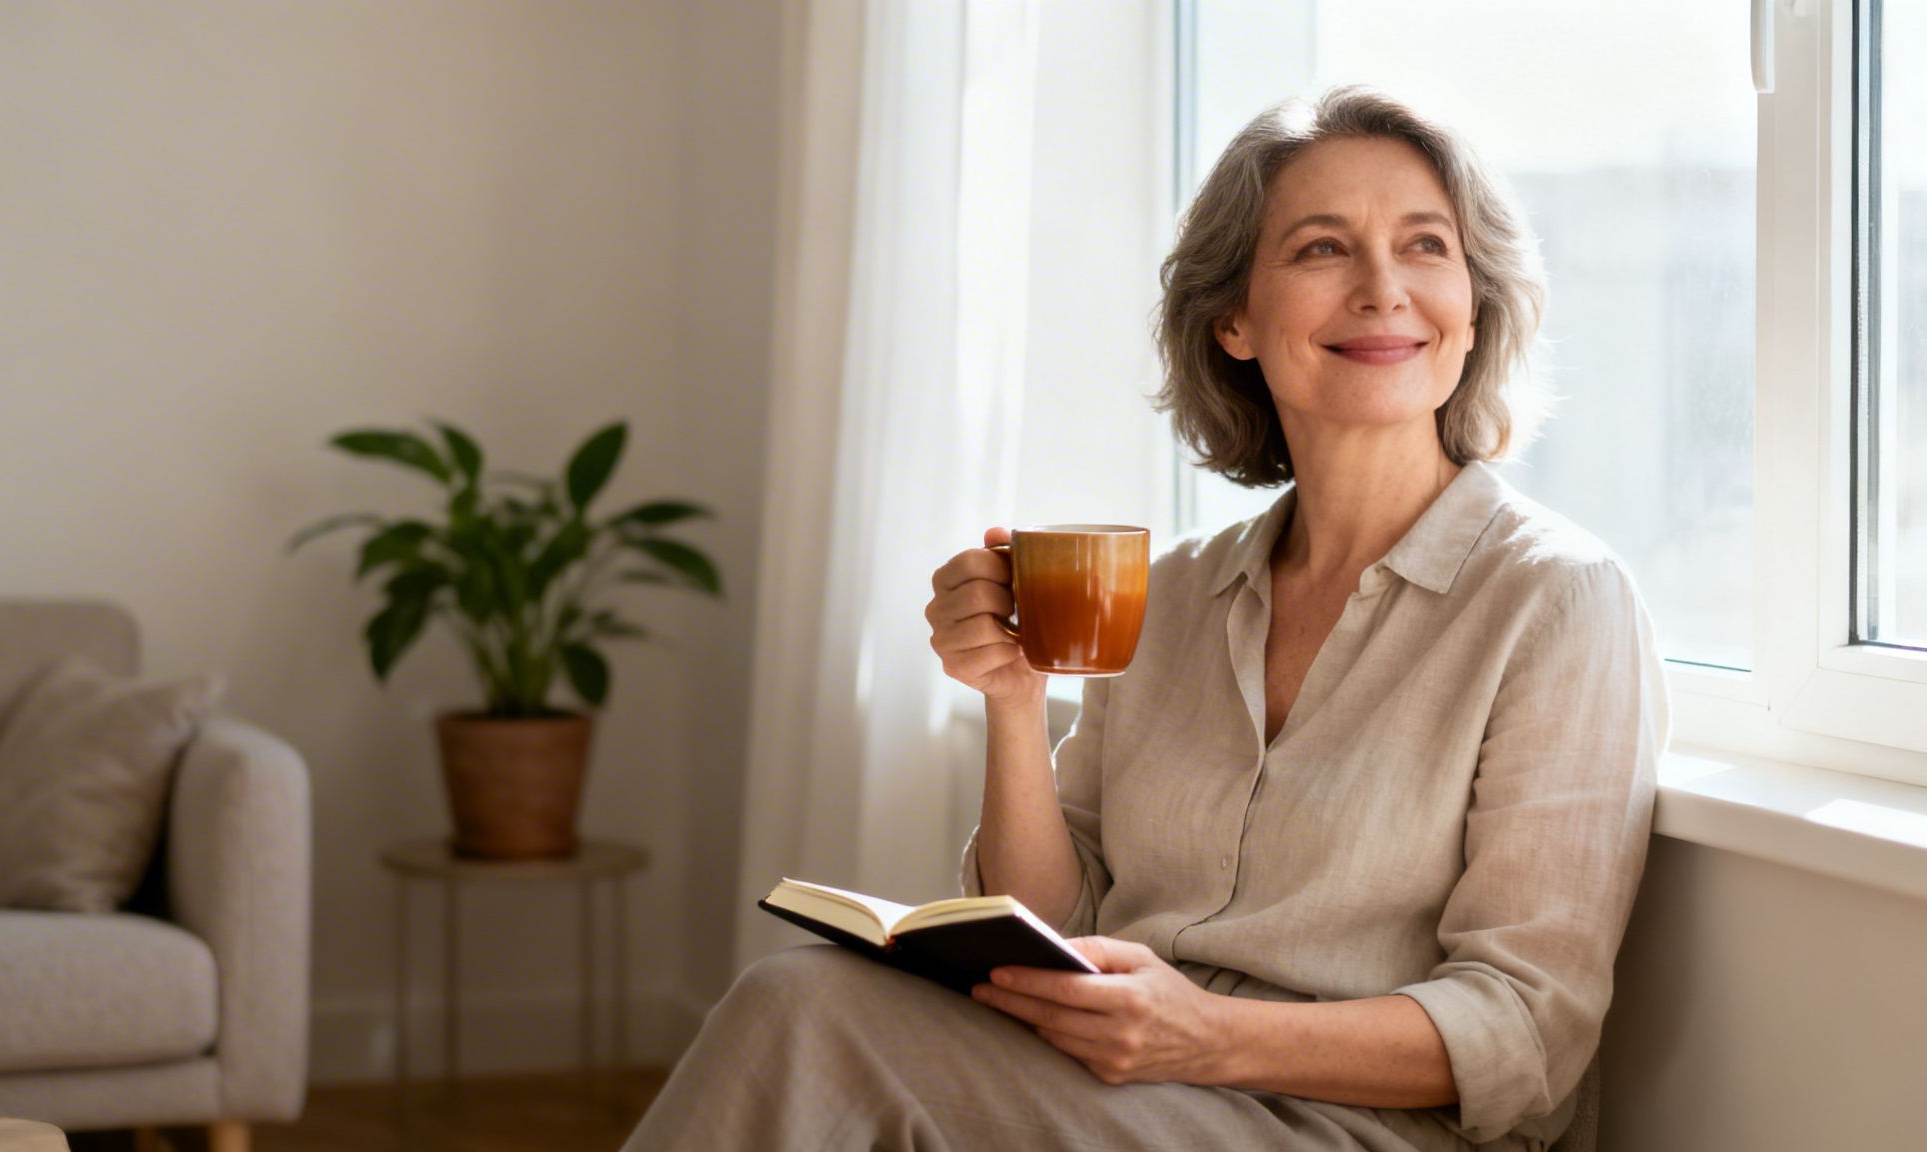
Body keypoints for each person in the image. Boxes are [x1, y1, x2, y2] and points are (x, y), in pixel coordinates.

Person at [621, 85, 1665, 1152]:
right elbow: (1062, 931)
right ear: (1233, 321)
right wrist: (1015, 704)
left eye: (1423, 247)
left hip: (1362, 1127)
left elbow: (1525, 1029)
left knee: (807, 1026)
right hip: (1123, 1086)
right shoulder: (1167, 598)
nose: (1381, 290)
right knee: (796, 996)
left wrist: (1202, 1036)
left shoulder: (1556, 600)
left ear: (1476, 303)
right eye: (1320, 250)